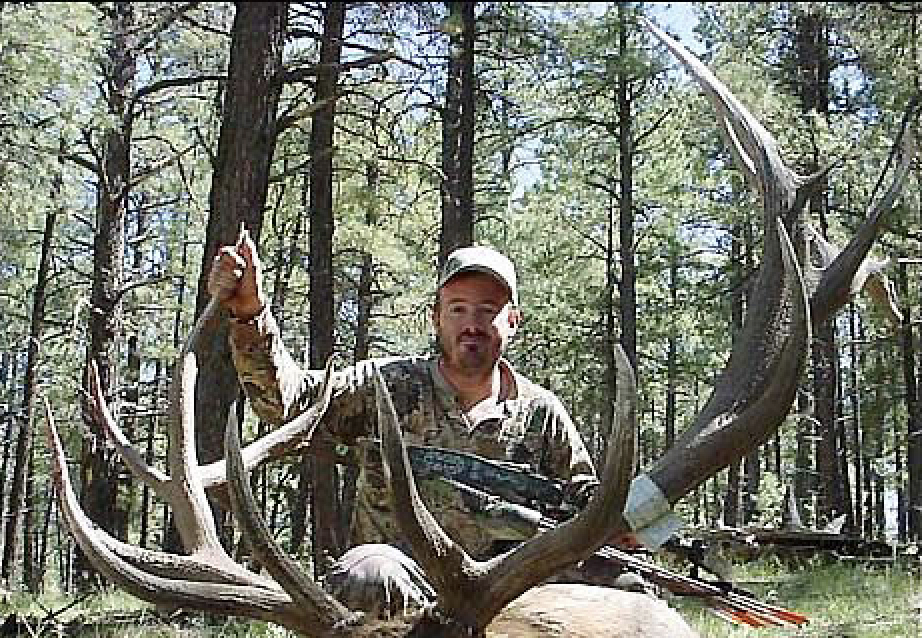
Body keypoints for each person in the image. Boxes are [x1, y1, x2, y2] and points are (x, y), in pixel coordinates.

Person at [208, 228, 600, 617]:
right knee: (368, 573)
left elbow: (587, 499)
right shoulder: (386, 386)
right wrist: (249, 313)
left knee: (622, 588)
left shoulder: (540, 413)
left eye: (488, 310)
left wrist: (631, 522)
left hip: (504, 597)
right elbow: (287, 403)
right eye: (458, 308)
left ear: (513, 321)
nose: (472, 324)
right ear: (436, 318)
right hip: (403, 590)